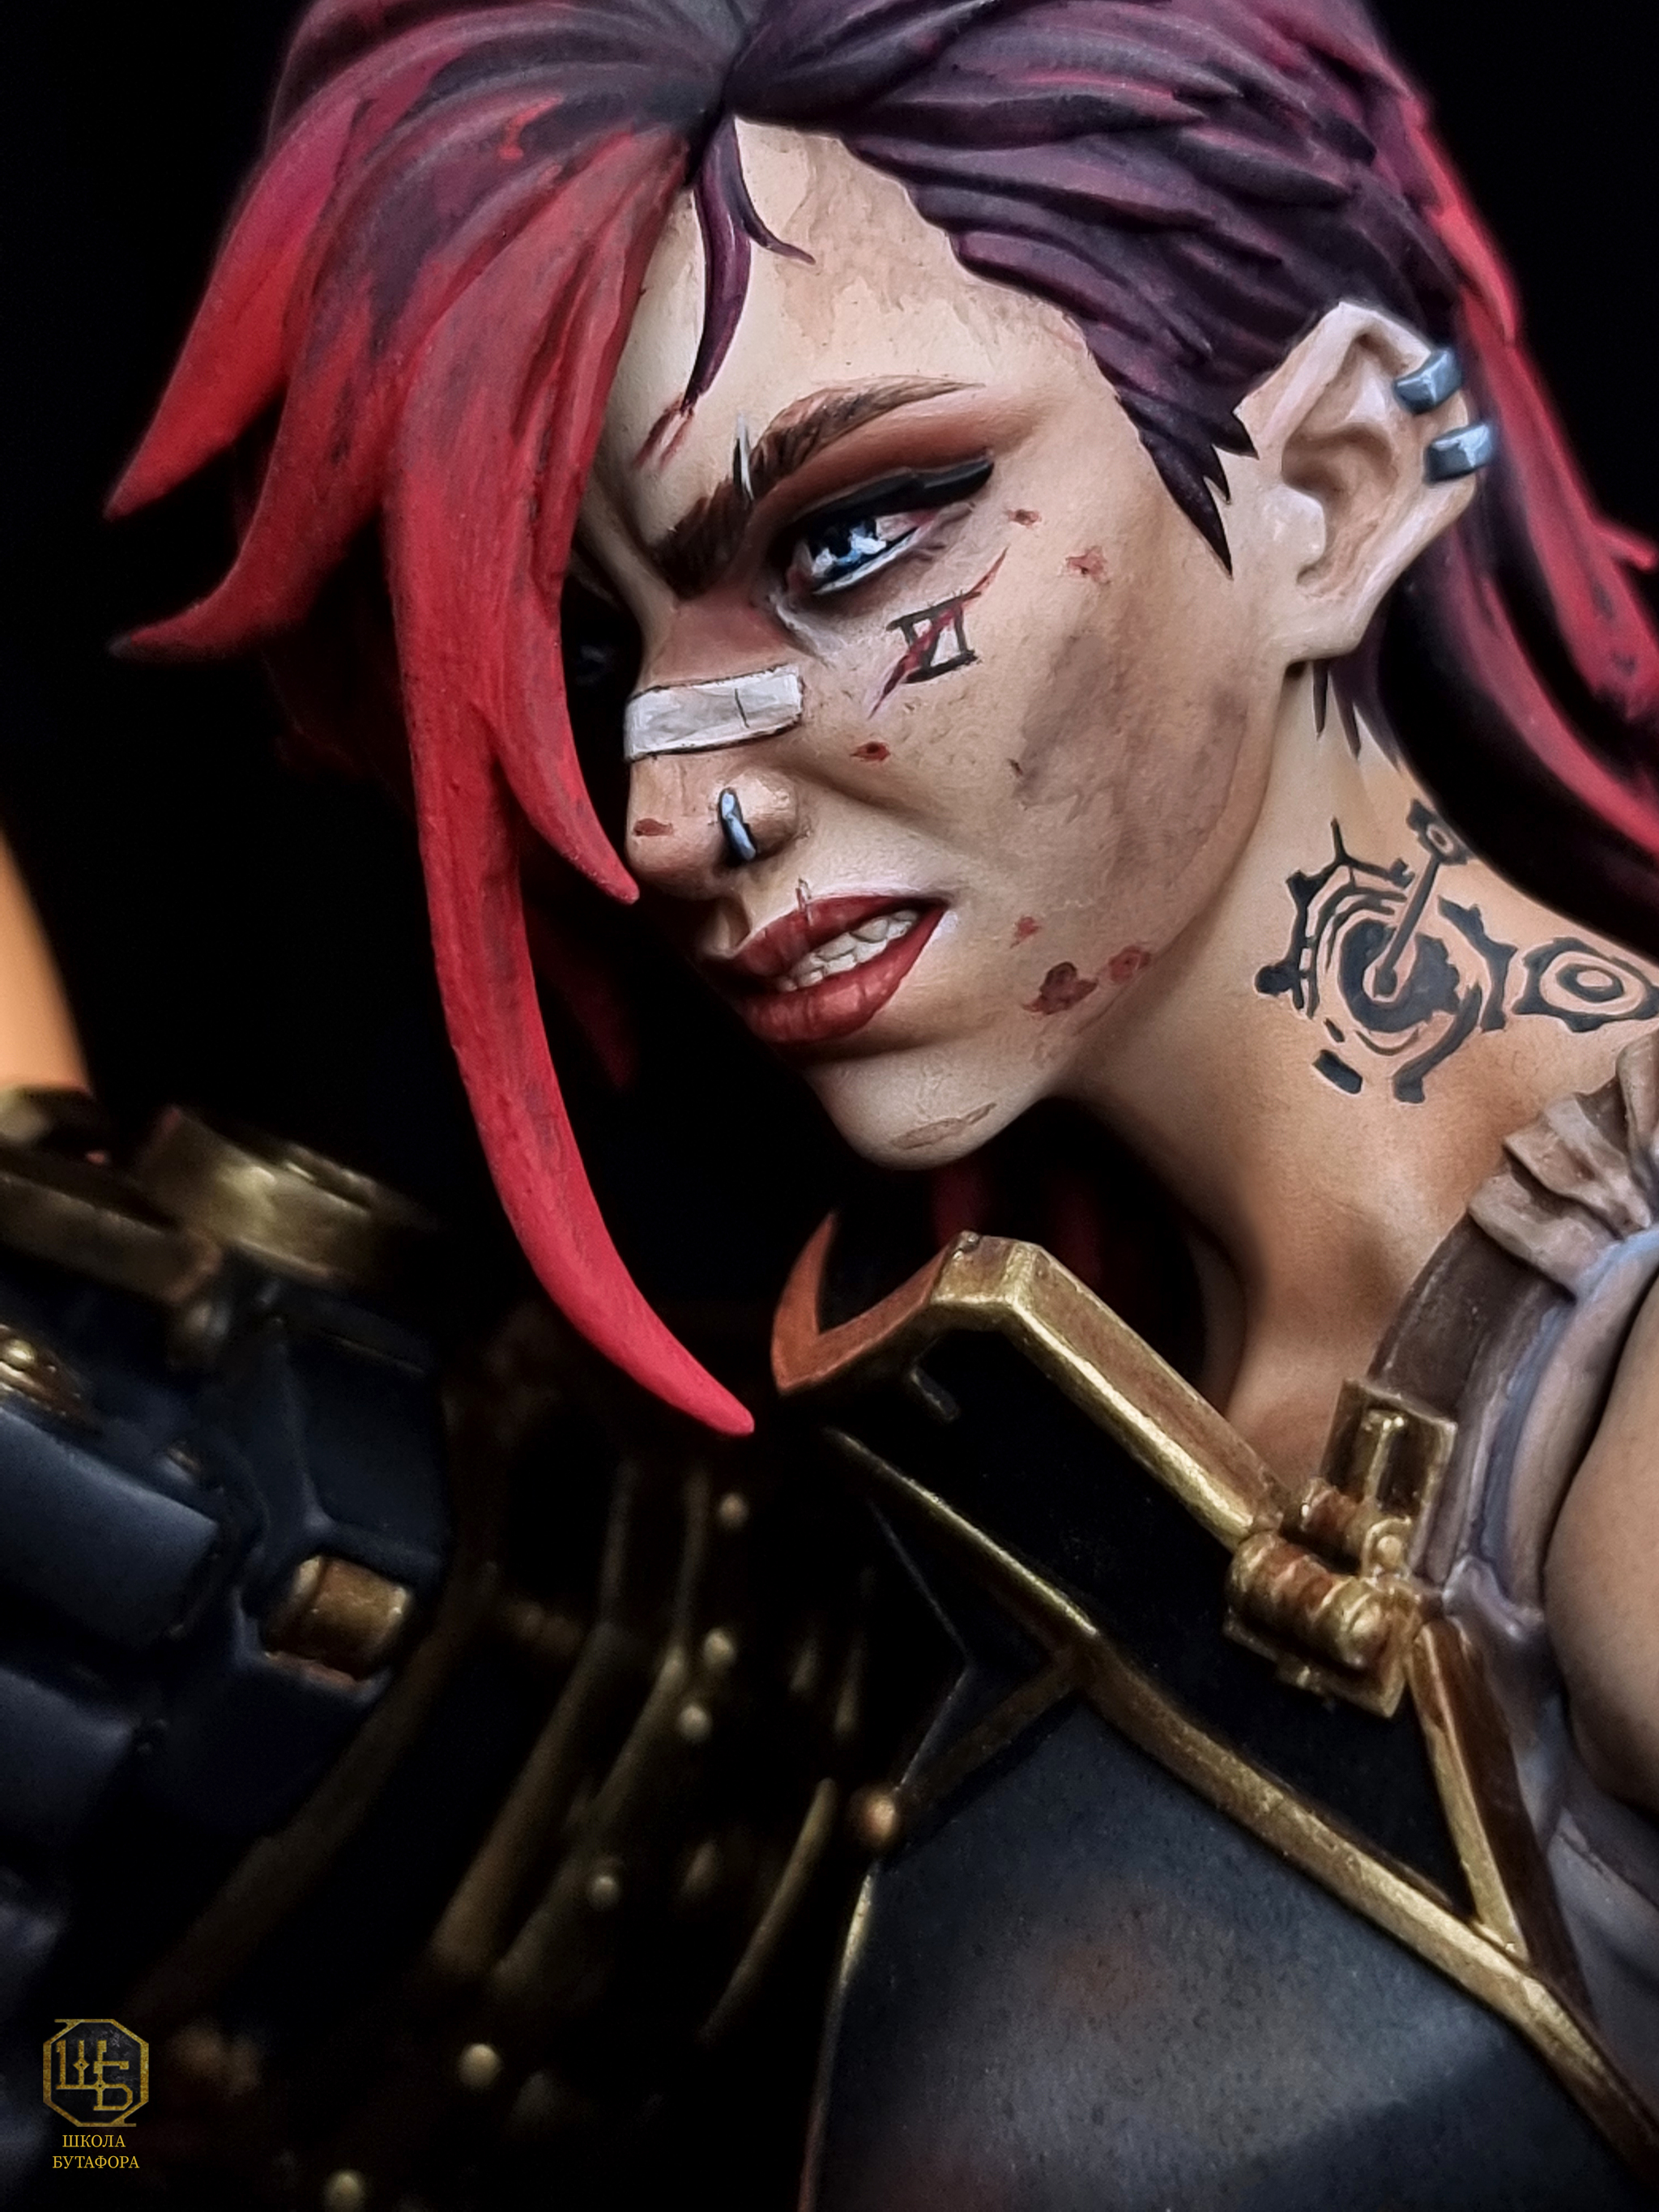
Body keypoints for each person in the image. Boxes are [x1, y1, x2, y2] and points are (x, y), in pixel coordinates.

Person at [70, 0, 1659, 2199]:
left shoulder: (1623, 1412)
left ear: (1329, 488)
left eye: (846, 537)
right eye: (604, 650)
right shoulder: (1076, 1428)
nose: (664, 810)